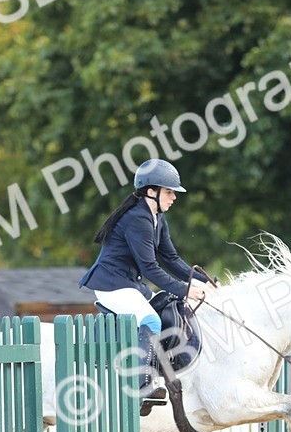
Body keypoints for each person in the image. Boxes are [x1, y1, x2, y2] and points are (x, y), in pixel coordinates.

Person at [79, 159, 211, 406]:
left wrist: (204, 281)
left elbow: (170, 259)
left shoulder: (157, 218)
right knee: (151, 319)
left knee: (167, 308)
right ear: (151, 191)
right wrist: (185, 290)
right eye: (170, 191)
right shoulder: (136, 219)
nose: (174, 197)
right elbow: (150, 268)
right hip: (111, 284)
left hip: (130, 284)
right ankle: (141, 385)